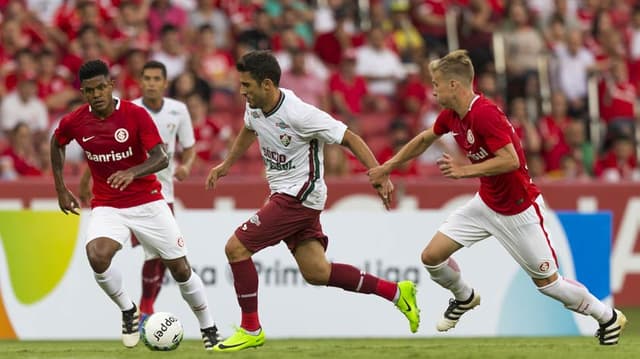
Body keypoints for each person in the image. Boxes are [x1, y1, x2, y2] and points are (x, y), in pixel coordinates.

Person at [368, 50, 627, 346]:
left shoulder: (485, 114)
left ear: (455, 85)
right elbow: (425, 138)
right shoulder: (453, 115)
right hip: (487, 204)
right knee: (431, 257)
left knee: (549, 285)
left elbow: (511, 160)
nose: (433, 89)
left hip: (519, 210)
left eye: (437, 83)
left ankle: (606, 316)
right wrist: (387, 167)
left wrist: (465, 171)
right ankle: (465, 297)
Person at [205, 50, 420, 352]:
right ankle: (397, 292)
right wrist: (227, 164)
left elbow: (351, 138)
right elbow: (249, 129)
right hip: (287, 194)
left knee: (236, 248)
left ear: (267, 84)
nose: (242, 92)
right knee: (317, 272)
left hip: (299, 195)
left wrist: (380, 174)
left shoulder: (300, 113)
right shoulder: (254, 106)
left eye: (247, 86)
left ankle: (250, 327)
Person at [50, 59, 220, 350]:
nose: (97, 94)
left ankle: (209, 328)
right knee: (96, 256)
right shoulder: (76, 121)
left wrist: (133, 172)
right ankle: (129, 310)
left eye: (102, 87)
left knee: (180, 269)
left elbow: (162, 157)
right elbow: (57, 141)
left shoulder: (135, 114)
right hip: (108, 205)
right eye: (90, 90)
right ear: (83, 92)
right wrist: (61, 188)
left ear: (111, 86)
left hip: (149, 202)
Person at [79, 60, 198, 326]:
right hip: (127, 194)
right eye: (147, 78)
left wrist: (187, 166)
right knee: (154, 254)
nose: (152, 83)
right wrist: (87, 179)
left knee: (158, 254)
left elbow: (188, 147)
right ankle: (143, 307)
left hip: (163, 192)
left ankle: (145, 308)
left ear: (165, 83)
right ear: (140, 81)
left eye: (157, 79)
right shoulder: (127, 109)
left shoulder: (179, 111)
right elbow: (99, 150)